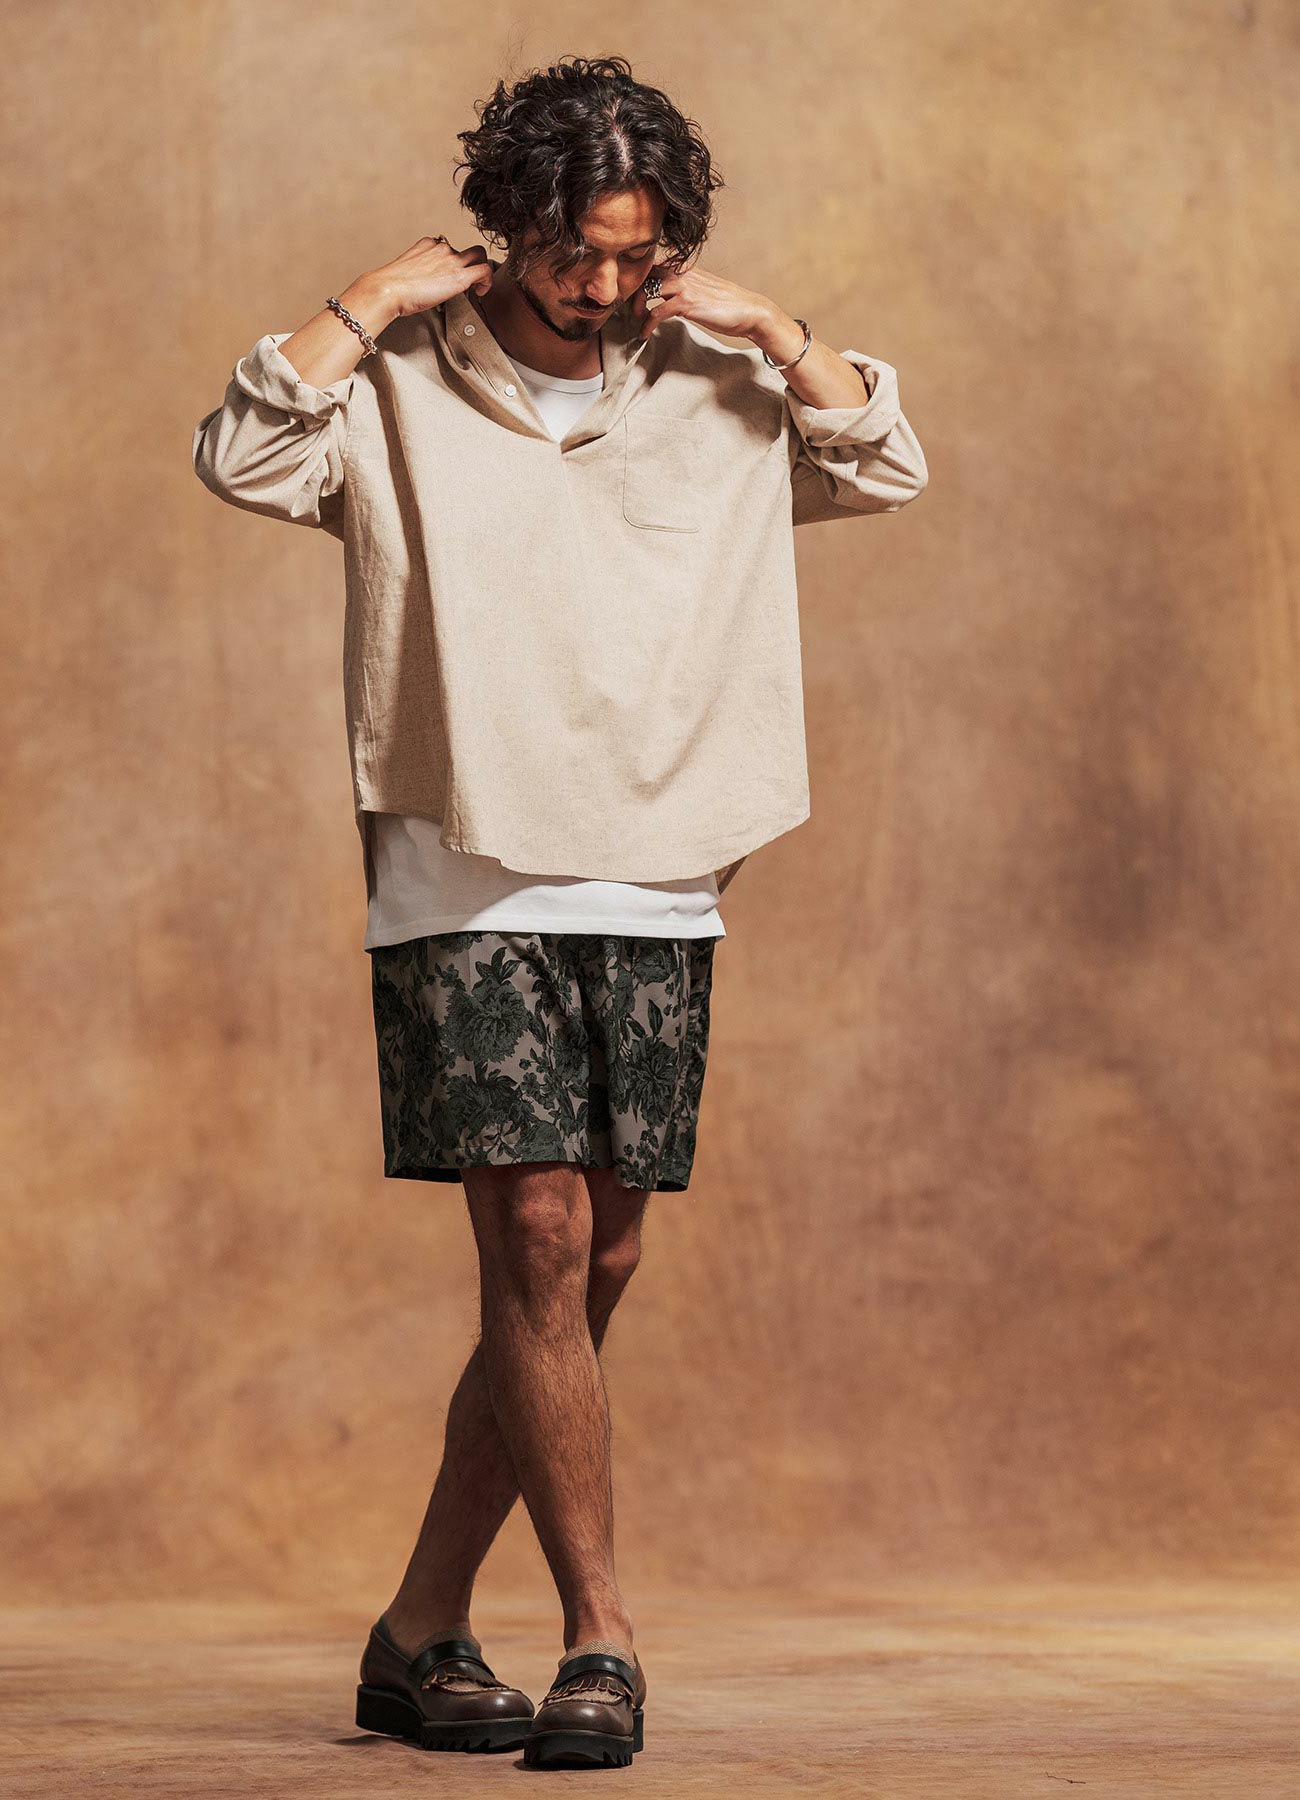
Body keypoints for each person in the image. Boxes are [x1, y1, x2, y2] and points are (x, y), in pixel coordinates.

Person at [191, 53, 926, 1770]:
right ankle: (604, 1637)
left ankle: (417, 1629)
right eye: (567, 251)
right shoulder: (397, 382)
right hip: (463, 853)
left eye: (632, 253)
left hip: (662, 864)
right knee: (529, 1236)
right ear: (505, 225)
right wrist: (363, 302)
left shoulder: (717, 384)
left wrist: (780, 332)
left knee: (597, 1262)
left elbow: (882, 461)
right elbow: (241, 453)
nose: (598, 286)